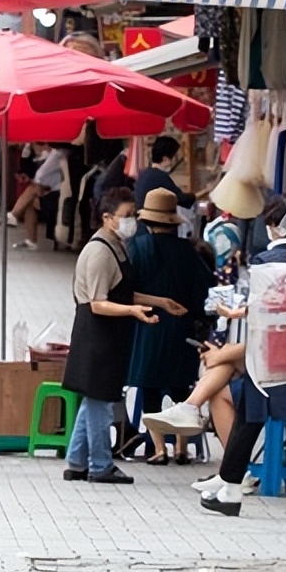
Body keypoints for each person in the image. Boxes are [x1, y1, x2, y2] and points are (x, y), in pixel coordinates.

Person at [61, 188, 183, 485]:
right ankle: (100, 465)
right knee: (101, 401)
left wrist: (159, 301)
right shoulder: (99, 252)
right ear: (107, 218)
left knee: (95, 398)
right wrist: (133, 311)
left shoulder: (117, 245)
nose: (132, 221)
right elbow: (98, 303)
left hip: (111, 336)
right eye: (126, 216)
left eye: (133, 215)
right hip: (97, 335)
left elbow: (123, 291)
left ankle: (77, 462)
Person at [200, 193, 286, 516]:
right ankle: (228, 483)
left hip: (272, 361)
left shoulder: (264, 263)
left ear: (272, 225)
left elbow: (261, 315)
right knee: (246, 411)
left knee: (249, 412)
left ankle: (230, 487)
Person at [125, 188, 213, 464]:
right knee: (180, 390)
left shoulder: (137, 248)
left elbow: (125, 287)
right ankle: (181, 448)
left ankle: (159, 448)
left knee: (149, 389)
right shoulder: (188, 251)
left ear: (147, 221)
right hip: (181, 330)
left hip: (147, 326)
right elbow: (206, 290)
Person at [0, 143, 65, 251]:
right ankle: (30, 240)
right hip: (50, 190)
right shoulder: (34, 153)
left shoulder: (57, 154)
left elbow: (40, 175)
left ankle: (13, 215)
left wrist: (37, 189)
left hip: (58, 194)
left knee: (33, 189)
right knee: (31, 200)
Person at [133, 136, 197, 212]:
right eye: (176, 157)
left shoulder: (145, 174)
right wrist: (195, 196)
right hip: (151, 218)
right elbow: (181, 199)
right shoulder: (159, 177)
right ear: (165, 159)